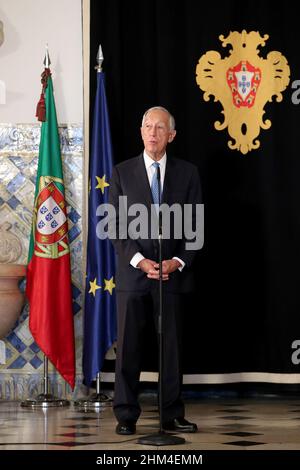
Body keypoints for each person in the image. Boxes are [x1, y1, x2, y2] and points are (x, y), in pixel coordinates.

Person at [108, 106, 202, 435]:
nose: (152, 133)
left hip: (172, 275)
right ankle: (125, 414)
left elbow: (195, 229)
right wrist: (140, 261)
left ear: (171, 135)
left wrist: (176, 262)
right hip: (134, 276)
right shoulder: (121, 173)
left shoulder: (188, 174)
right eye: (147, 126)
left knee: (171, 348)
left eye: (159, 128)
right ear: (140, 131)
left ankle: (170, 413)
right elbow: (116, 228)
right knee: (129, 347)